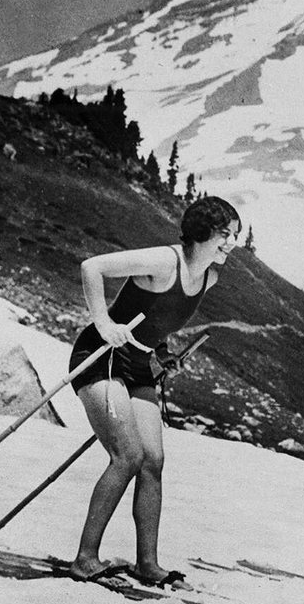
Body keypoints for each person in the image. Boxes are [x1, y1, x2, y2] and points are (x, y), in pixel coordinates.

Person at [66, 196, 241, 583]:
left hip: (139, 363)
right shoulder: (165, 261)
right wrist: (102, 322)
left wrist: (163, 353)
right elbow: (92, 267)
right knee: (127, 455)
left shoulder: (208, 276)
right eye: (225, 235)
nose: (232, 243)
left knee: (153, 462)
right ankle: (85, 558)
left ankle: (148, 564)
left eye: (234, 236)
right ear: (201, 234)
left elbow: (157, 318)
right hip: (102, 355)